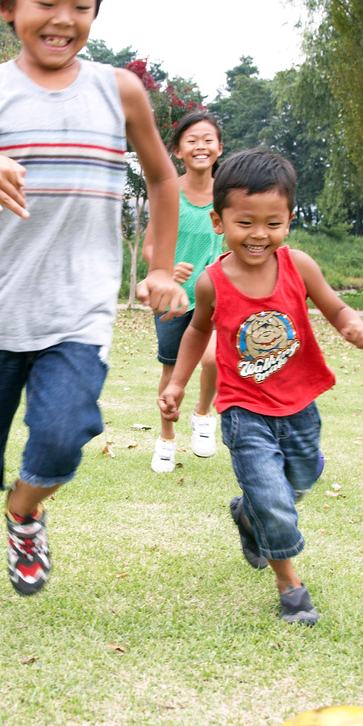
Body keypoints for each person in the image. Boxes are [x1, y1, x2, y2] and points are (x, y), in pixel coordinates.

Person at [0, 0, 188, 614]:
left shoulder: (118, 91)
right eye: (46, 3)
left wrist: (159, 268)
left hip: (79, 311)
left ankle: (26, 512)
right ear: (10, 7)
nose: (63, 19)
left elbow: (162, 179)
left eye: (81, 6)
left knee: (65, 435)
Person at [158, 149, 363, 625]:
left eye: (272, 223)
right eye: (245, 222)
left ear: (289, 220)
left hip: (300, 403)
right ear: (219, 221)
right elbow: (198, 331)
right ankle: (290, 586)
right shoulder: (212, 282)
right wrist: (177, 382)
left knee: (298, 482)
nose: (259, 234)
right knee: (275, 501)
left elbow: (335, 307)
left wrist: (351, 324)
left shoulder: (299, 265)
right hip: (243, 409)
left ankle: (246, 514)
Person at [141, 110, 225, 472]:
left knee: (211, 359)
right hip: (175, 297)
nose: (200, 146)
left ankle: (204, 414)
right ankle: (166, 439)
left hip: (219, 294)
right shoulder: (169, 191)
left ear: (219, 147)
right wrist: (164, 271)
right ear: (177, 150)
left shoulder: (229, 193)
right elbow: (149, 245)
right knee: (172, 371)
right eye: (191, 140)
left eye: (208, 139)